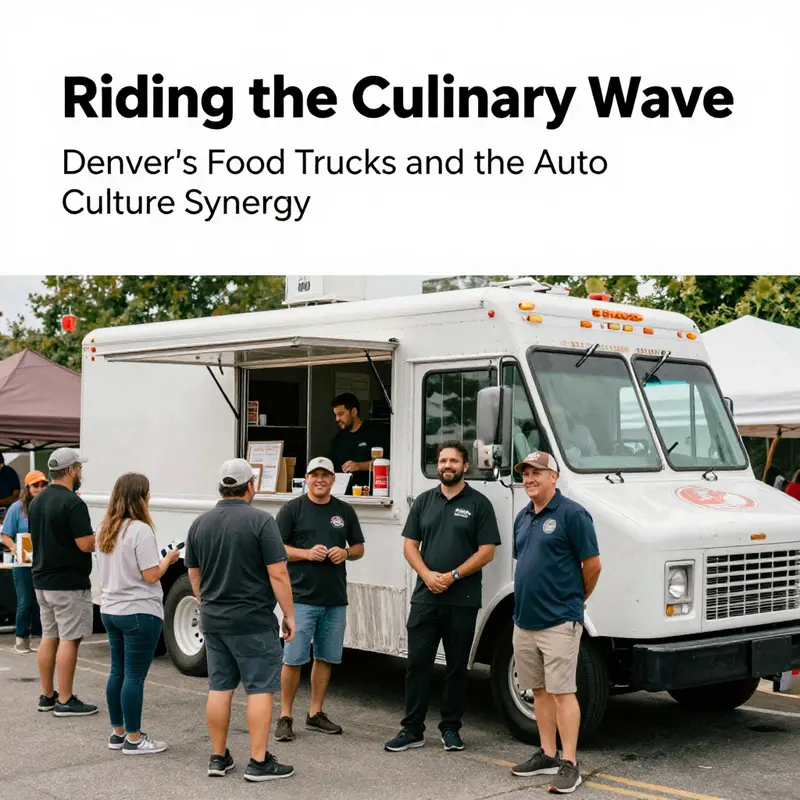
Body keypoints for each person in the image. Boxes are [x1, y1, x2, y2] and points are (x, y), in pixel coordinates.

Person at [183, 459, 296, 782]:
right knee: (260, 689)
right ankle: (259, 762)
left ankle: (218, 757)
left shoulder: (200, 523)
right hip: (253, 620)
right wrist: (289, 615)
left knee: (220, 687)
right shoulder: (261, 522)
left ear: (222, 487)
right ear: (250, 486)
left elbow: (194, 571)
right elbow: (278, 572)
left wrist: (206, 601)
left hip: (214, 620)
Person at [385, 441, 501, 753]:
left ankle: (451, 729)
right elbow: (410, 545)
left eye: (453, 460)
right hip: (425, 598)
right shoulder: (424, 501)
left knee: (456, 668)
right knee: (418, 665)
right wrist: (426, 575)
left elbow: (487, 552)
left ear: (465, 466)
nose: (447, 465)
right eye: (443, 460)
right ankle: (412, 730)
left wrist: (452, 576)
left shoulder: (479, 504)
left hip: (461, 598)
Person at [510, 451, 602, 795]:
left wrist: (576, 601)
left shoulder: (573, 515)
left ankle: (570, 763)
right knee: (538, 690)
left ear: (554, 477)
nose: (530, 478)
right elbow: (526, 564)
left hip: (559, 621)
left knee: (564, 692)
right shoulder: (522, 517)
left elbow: (592, 566)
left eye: (537, 472)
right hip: (524, 621)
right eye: (526, 473)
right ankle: (547, 754)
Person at [274, 456, 365, 742]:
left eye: (326, 475)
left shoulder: (344, 511)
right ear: (307, 478)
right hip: (300, 597)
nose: (320, 480)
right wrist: (306, 553)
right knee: (293, 658)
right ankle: (285, 716)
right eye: (315, 475)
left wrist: (346, 553)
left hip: (335, 598)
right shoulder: (292, 509)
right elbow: (276, 549)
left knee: (325, 657)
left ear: (333, 479)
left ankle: (315, 713)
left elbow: (360, 547)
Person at [96, 473, 181, 754]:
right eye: (147, 493)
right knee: (134, 677)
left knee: (117, 672)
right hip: (138, 611)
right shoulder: (141, 530)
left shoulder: (107, 528)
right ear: (139, 498)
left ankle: (117, 733)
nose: (150, 497)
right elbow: (150, 575)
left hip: (110, 609)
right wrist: (167, 560)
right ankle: (134, 739)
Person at [28, 447, 98, 717]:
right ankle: (66, 699)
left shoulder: (38, 500)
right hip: (68, 582)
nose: (81, 472)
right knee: (70, 639)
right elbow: (84, 544)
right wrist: (99, 535)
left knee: (49, 636)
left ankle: (47, 695)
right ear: (70, 471)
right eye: (79, 467)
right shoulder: (73, 503)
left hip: (42, 579)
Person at [1, 470, 47, 654]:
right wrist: (15, 549)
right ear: (27, 487)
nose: (40, 488)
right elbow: (6, 535)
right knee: (26, 600)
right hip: (23, 562)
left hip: (43, 561)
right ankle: (21, 639)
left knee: (43, 601)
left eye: (43, 484)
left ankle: (41, 638)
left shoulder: (47, 506)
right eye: (36, 485)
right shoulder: (17, 508)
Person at [329, 393, 387, 494]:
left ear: (354, 412)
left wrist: (359, 466)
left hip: (371, 496)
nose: (337, 419)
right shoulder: (338, 438)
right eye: (336, 415)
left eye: (341, 414)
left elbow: (385, 464)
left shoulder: (375, 431)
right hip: (342, 496)